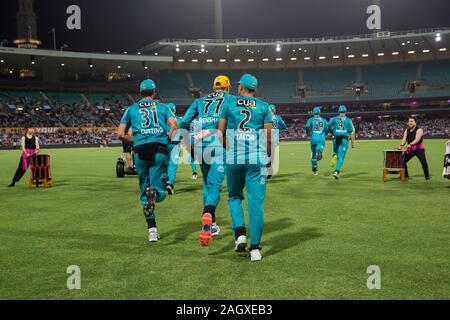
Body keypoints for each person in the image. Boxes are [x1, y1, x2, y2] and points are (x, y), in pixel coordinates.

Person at [218, 74, 273, 262]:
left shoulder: (229, 103)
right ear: (255, 89)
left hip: (234, 157)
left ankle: (240, 234)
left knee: (234, 197)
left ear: (241, 87)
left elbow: (220, 133)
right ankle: (255, 248)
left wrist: (230, 149)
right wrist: (269, 160)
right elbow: (267, 138)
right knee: (255, 203)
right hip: (256, 159)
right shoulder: (264, 107)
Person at [117, 80, 178, 243]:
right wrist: (167, 136)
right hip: (159, 149)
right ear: (154, 92)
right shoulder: (164, 108)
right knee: (160, 191)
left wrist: (134, 139)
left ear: (140, 92)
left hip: (140, 151)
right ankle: (155, 194)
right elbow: (174, 124)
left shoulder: (131, 109)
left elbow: (119, 134)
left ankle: (152, 230)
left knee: (144, 191)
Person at [181, 75, 234, 246]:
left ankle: (213, 224)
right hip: (219, 143)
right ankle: (208, 216)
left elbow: (185, 121)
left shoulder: (200, 100)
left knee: (206, 183)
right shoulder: (231, 99)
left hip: (200, 144)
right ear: (228, 87)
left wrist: (187, 141)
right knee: (216, 185)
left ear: (214, 87)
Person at [328, 105, 354, 179]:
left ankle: (334, 155)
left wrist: (332, 132)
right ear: (345, 112)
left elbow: (328, 125)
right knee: (341, 157)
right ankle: (336, 171)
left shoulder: (334, 119)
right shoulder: (348, 120)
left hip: (336, 138)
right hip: (344, 139)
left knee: (336, 151)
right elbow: (351, 130)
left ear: (339, 112)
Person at [305, 106, 329, 176]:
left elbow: (306, 126)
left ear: (313, 113)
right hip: (321, 138)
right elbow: (327, 128)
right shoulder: (324, 120)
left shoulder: (311, 119)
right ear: (319, 113)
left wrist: (308, 134)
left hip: (313, 139)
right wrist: (325, 134)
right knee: (318, 150)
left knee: (313, 154)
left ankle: (314, 170)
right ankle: (319, 151)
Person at [166, 103, 183, 195]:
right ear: (174, 110)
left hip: (164, 144)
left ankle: (162, 183)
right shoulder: (180, 120)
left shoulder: (163, 119)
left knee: (163, 164)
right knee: (173, 165)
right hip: (175, 144)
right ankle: (170, 184)